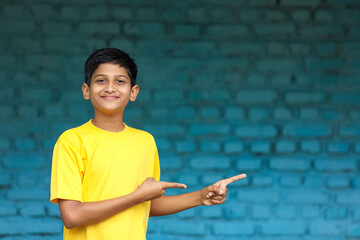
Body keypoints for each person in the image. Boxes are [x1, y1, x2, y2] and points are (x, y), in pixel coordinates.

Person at [50, 48, 247, 240]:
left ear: (133, 92)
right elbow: (72, 216)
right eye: (101, 81)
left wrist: (201, 196)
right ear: (86, 90)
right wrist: (137, 196)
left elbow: (147, 203)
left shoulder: (145, 141)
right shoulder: (71, 141)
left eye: (120, 81)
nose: (110, 88)